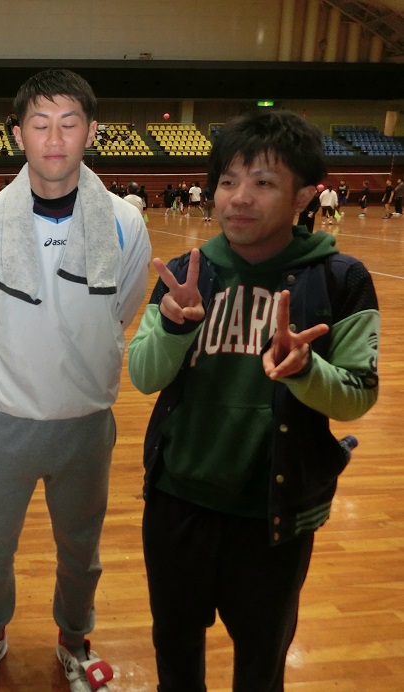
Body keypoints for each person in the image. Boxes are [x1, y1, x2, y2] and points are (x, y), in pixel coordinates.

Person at [127, 109, 379, 691]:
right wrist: (174, 326)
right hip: (177, 504)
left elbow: (357, 395)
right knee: (175, 658)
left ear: (304, 195)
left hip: (274, 515)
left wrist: (306, 370)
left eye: (263, 182)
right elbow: (143, 375)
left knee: (262, 667)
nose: (239, 198)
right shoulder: (189, 273)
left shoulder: (340, 279)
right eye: (228, 181)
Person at [0, 68, 150, 692]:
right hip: (4, 421)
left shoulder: (125, 223)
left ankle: (74, 640)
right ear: (19, 135)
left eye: (69, 123)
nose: (55, 138)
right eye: (40, 124)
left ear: (91, 131)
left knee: (81, 549)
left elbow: (119, 312)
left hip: (85, 424)